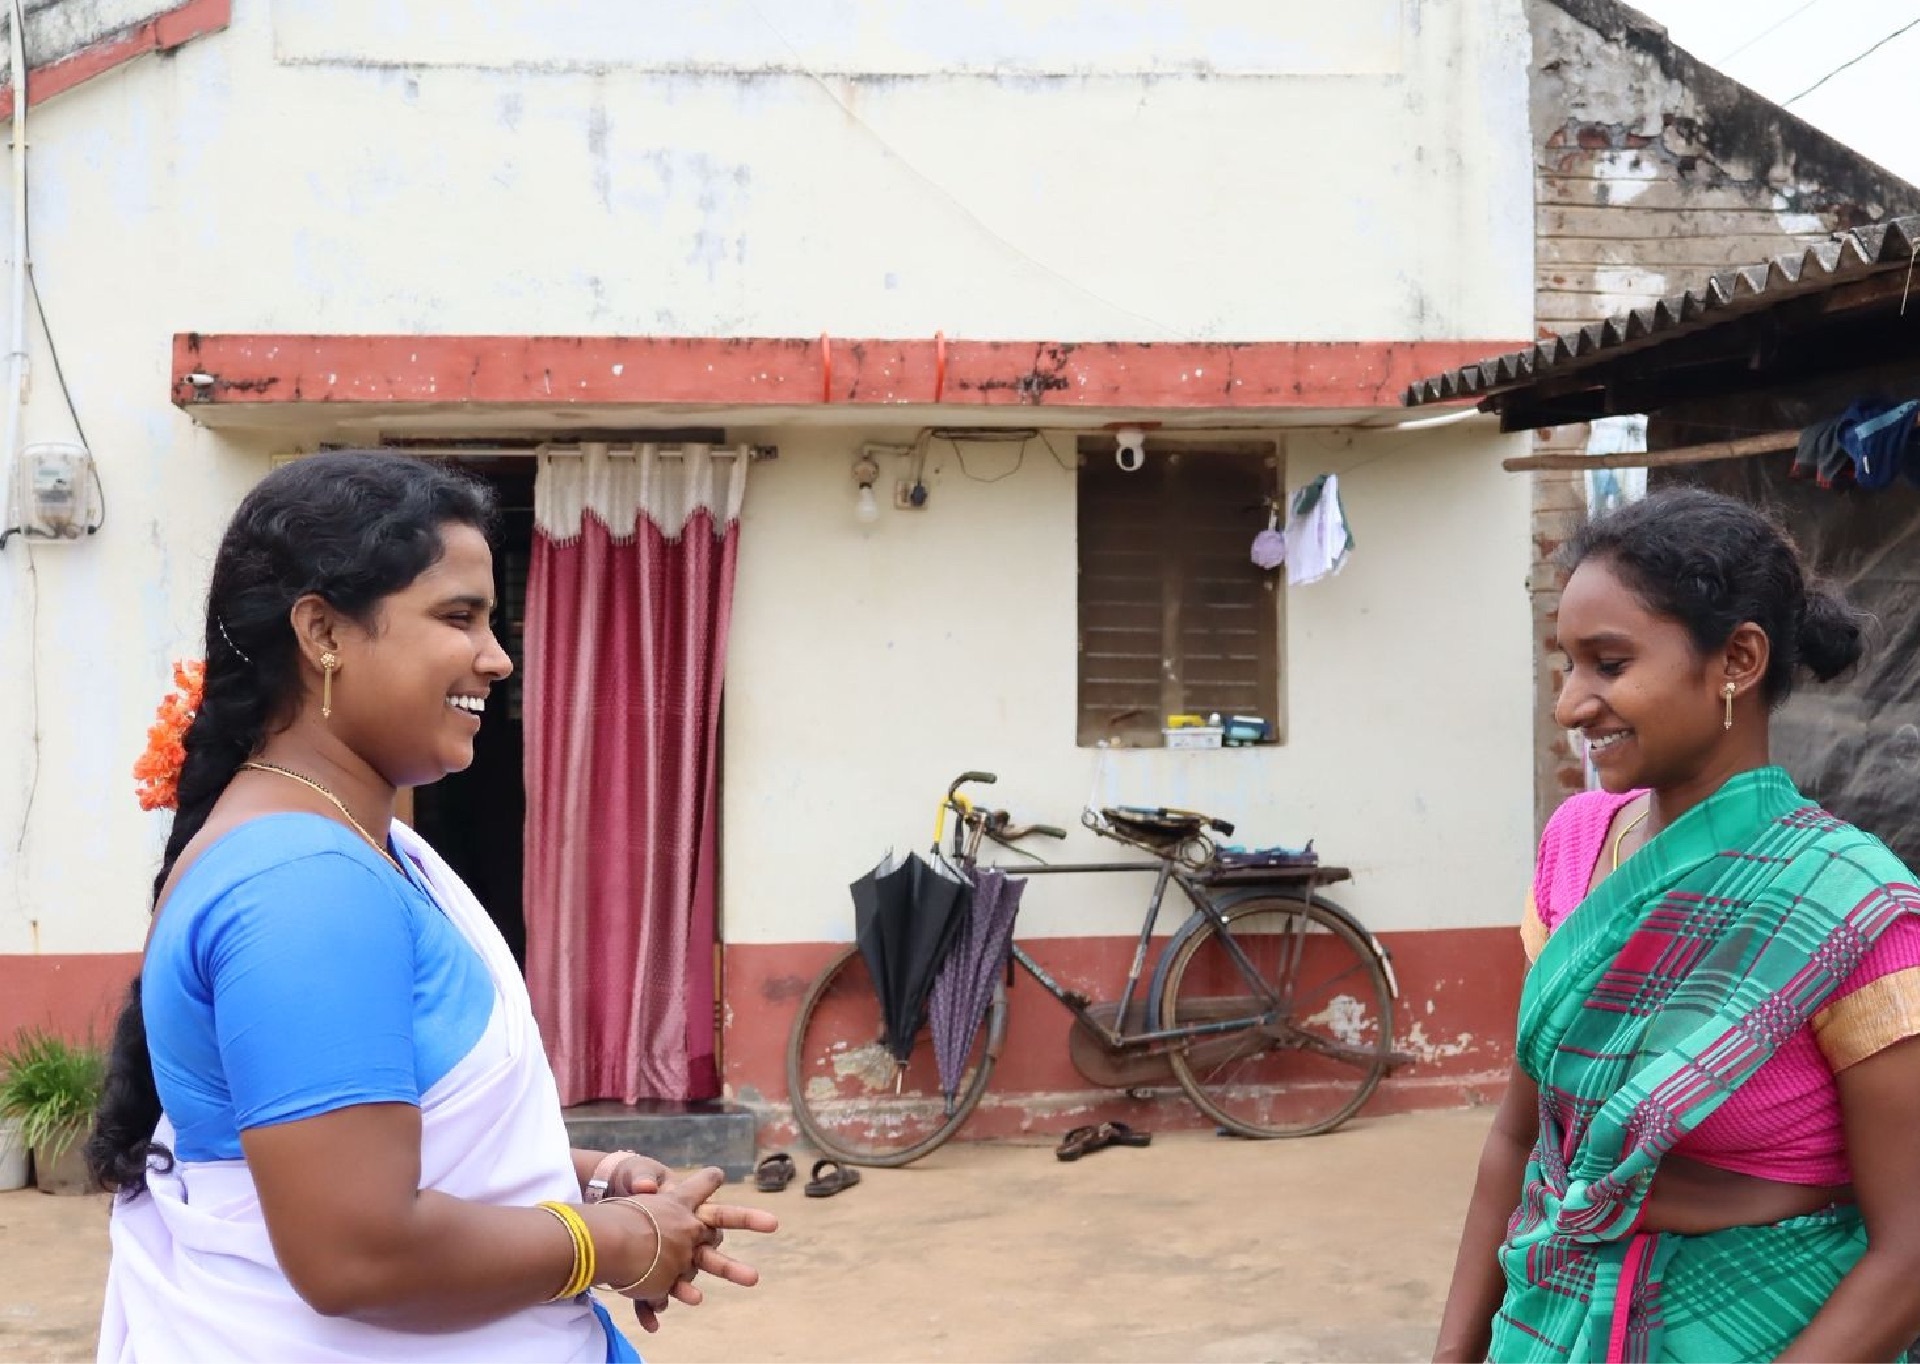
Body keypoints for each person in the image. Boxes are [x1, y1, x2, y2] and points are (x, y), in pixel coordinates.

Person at [88, 452, 777, 1361]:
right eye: (459, 617)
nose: (497, 658)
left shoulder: (355, 848)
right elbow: (357, 1251)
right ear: (324, 634)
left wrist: (588, 1179)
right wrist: (618, 1243)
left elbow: (341, 1147)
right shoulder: (302, 887)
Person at [1434, 487, 1920, 1362]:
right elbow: (1520, 1137)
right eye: (1568, 665)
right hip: (1549, 1325)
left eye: (1609, 665)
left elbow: (1912, 1249)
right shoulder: (1575, 850)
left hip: (1767, 1327)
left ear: (1736, 659)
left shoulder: (1853, 907)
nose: (1571, 705)